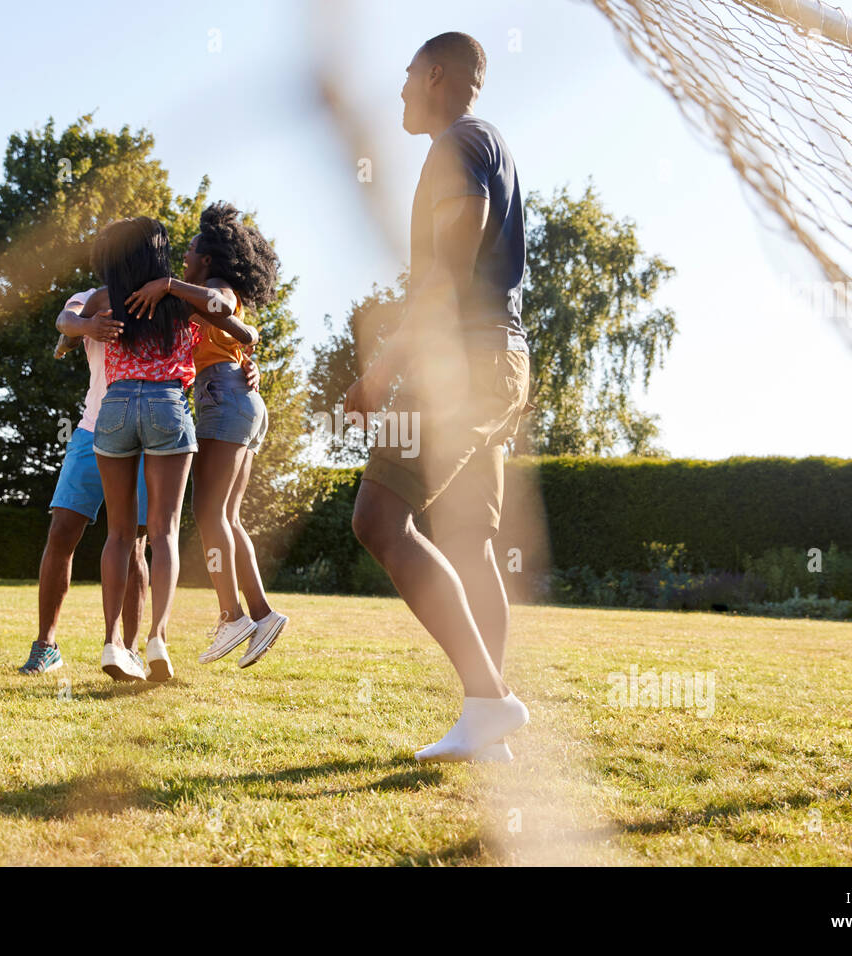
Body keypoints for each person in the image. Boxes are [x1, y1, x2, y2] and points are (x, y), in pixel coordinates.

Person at [345, 32, 532, 762]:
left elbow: (447, 272)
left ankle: (489, 702)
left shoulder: (458, 142)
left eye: (404, 77)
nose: (397, 92)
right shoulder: (488, 142)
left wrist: (383, 370)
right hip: (503, 362)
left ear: (434, 73)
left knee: (379, 519)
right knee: (474, 545)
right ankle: (486, 724)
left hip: (467, 366)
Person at [88, 217, 259, 682]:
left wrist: (81, 326)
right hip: (167, 404)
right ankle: (158, 638)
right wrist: (172, 286)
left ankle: (112, 644)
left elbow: (65, 321)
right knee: (162, 533)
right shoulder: (180, 300)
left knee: (119, 535)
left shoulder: (108, 296)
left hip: (116, 406)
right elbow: (238, 324)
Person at [129, 203, 288, 667]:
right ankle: (261, 612)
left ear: (209, 258)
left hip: (224, 397)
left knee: (208, 512)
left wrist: (172, 286)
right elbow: (235, 327)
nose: (185, 253)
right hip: (240, 400)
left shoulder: (214, 287)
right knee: (229, 517)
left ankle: (231, 615)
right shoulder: (211, 290)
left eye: (192, 248)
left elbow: (220, 308)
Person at [17, 291, 149, 678]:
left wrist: (243, 367)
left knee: (136, 545)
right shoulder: (93, 298)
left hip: (143, 436)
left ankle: (129, 649)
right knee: (60, 532)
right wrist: (87, 326)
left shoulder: (157, 298)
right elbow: (65, 319)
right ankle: (46, 646)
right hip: (91, 431)